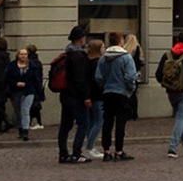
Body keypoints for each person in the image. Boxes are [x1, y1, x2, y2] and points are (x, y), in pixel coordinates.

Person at [54, 26, 96, 163]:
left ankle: (63, 153)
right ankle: (76, 153)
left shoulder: (67, 53)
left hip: (65, 95)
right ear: (80, 38)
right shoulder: (79, 56)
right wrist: (86, 97)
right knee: (83, 123)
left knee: (65, 125)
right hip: (77, 96)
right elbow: (80, 79)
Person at [96, 31, 138, 160]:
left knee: (107, 122)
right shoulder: (126, 57)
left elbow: (98, 77)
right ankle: (119, 150)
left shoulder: (103, 58)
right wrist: (130, 89)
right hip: (122, 93)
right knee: (121, 123)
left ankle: (106, 151)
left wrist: (105, 86)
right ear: (120, 42)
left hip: (108, 92)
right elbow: (130, 77)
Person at [7, 44, 45, 140]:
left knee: (25, 110)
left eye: (25, 54)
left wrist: (40, 92)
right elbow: (7, 78)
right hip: (15, 91)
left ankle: (25, 130)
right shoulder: (12, 66)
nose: (23, 56)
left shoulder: (32, 66)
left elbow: (36, 79)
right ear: (18, 55)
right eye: (21, 54)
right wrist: (15, 83)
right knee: (18, 110)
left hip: (29, 90)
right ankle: (20, 128)